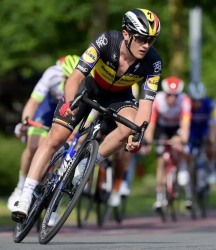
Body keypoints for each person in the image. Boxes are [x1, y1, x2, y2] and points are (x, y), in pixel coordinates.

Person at [11, 8, 162, 223]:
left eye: (151, 40)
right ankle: (25, 195)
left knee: (130, 127)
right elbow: (74, 77)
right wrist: (70, 102)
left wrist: (139, 132)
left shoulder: (153, 62)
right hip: (89, 87)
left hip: (120, 96)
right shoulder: (106, 41)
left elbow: (146, 103)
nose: (146, 45)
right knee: (56, 137)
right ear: (126, 34)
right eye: (142, 39)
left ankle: (88, 161)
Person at [7, 55, 80, 211]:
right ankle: (20, 187)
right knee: (33, 145)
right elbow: (33, 102)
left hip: (68, 110)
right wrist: (25, 122)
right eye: (67, 78)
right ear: (62, 75)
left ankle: (52, 194)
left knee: (62, 147)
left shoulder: (85, 81)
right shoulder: (52, 74)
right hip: (47, 109)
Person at [144, 76, 193, 210]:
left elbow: (186, 123)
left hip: (178, 127)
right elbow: (151, 123)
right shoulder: (157, 100)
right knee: (161, 161)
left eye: (175, 95)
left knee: (178, 145)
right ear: (164, 93)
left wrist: (183, 140)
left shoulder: (184, 100)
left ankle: (182, 167)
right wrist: (147, 142)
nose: (172, 98)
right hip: (163, 127)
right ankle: (160, 198)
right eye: (169, 94)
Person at [186, 82, 216, 189]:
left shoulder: (209, 103)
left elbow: (214, 122)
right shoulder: (186, 105)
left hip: (205, 129)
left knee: (211, 146)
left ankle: (211, 168)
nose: (197, 103)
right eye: (194, 100)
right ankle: (188, 171)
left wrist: (211, 137)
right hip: (192, 130)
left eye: (200, 100)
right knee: (187, 152)